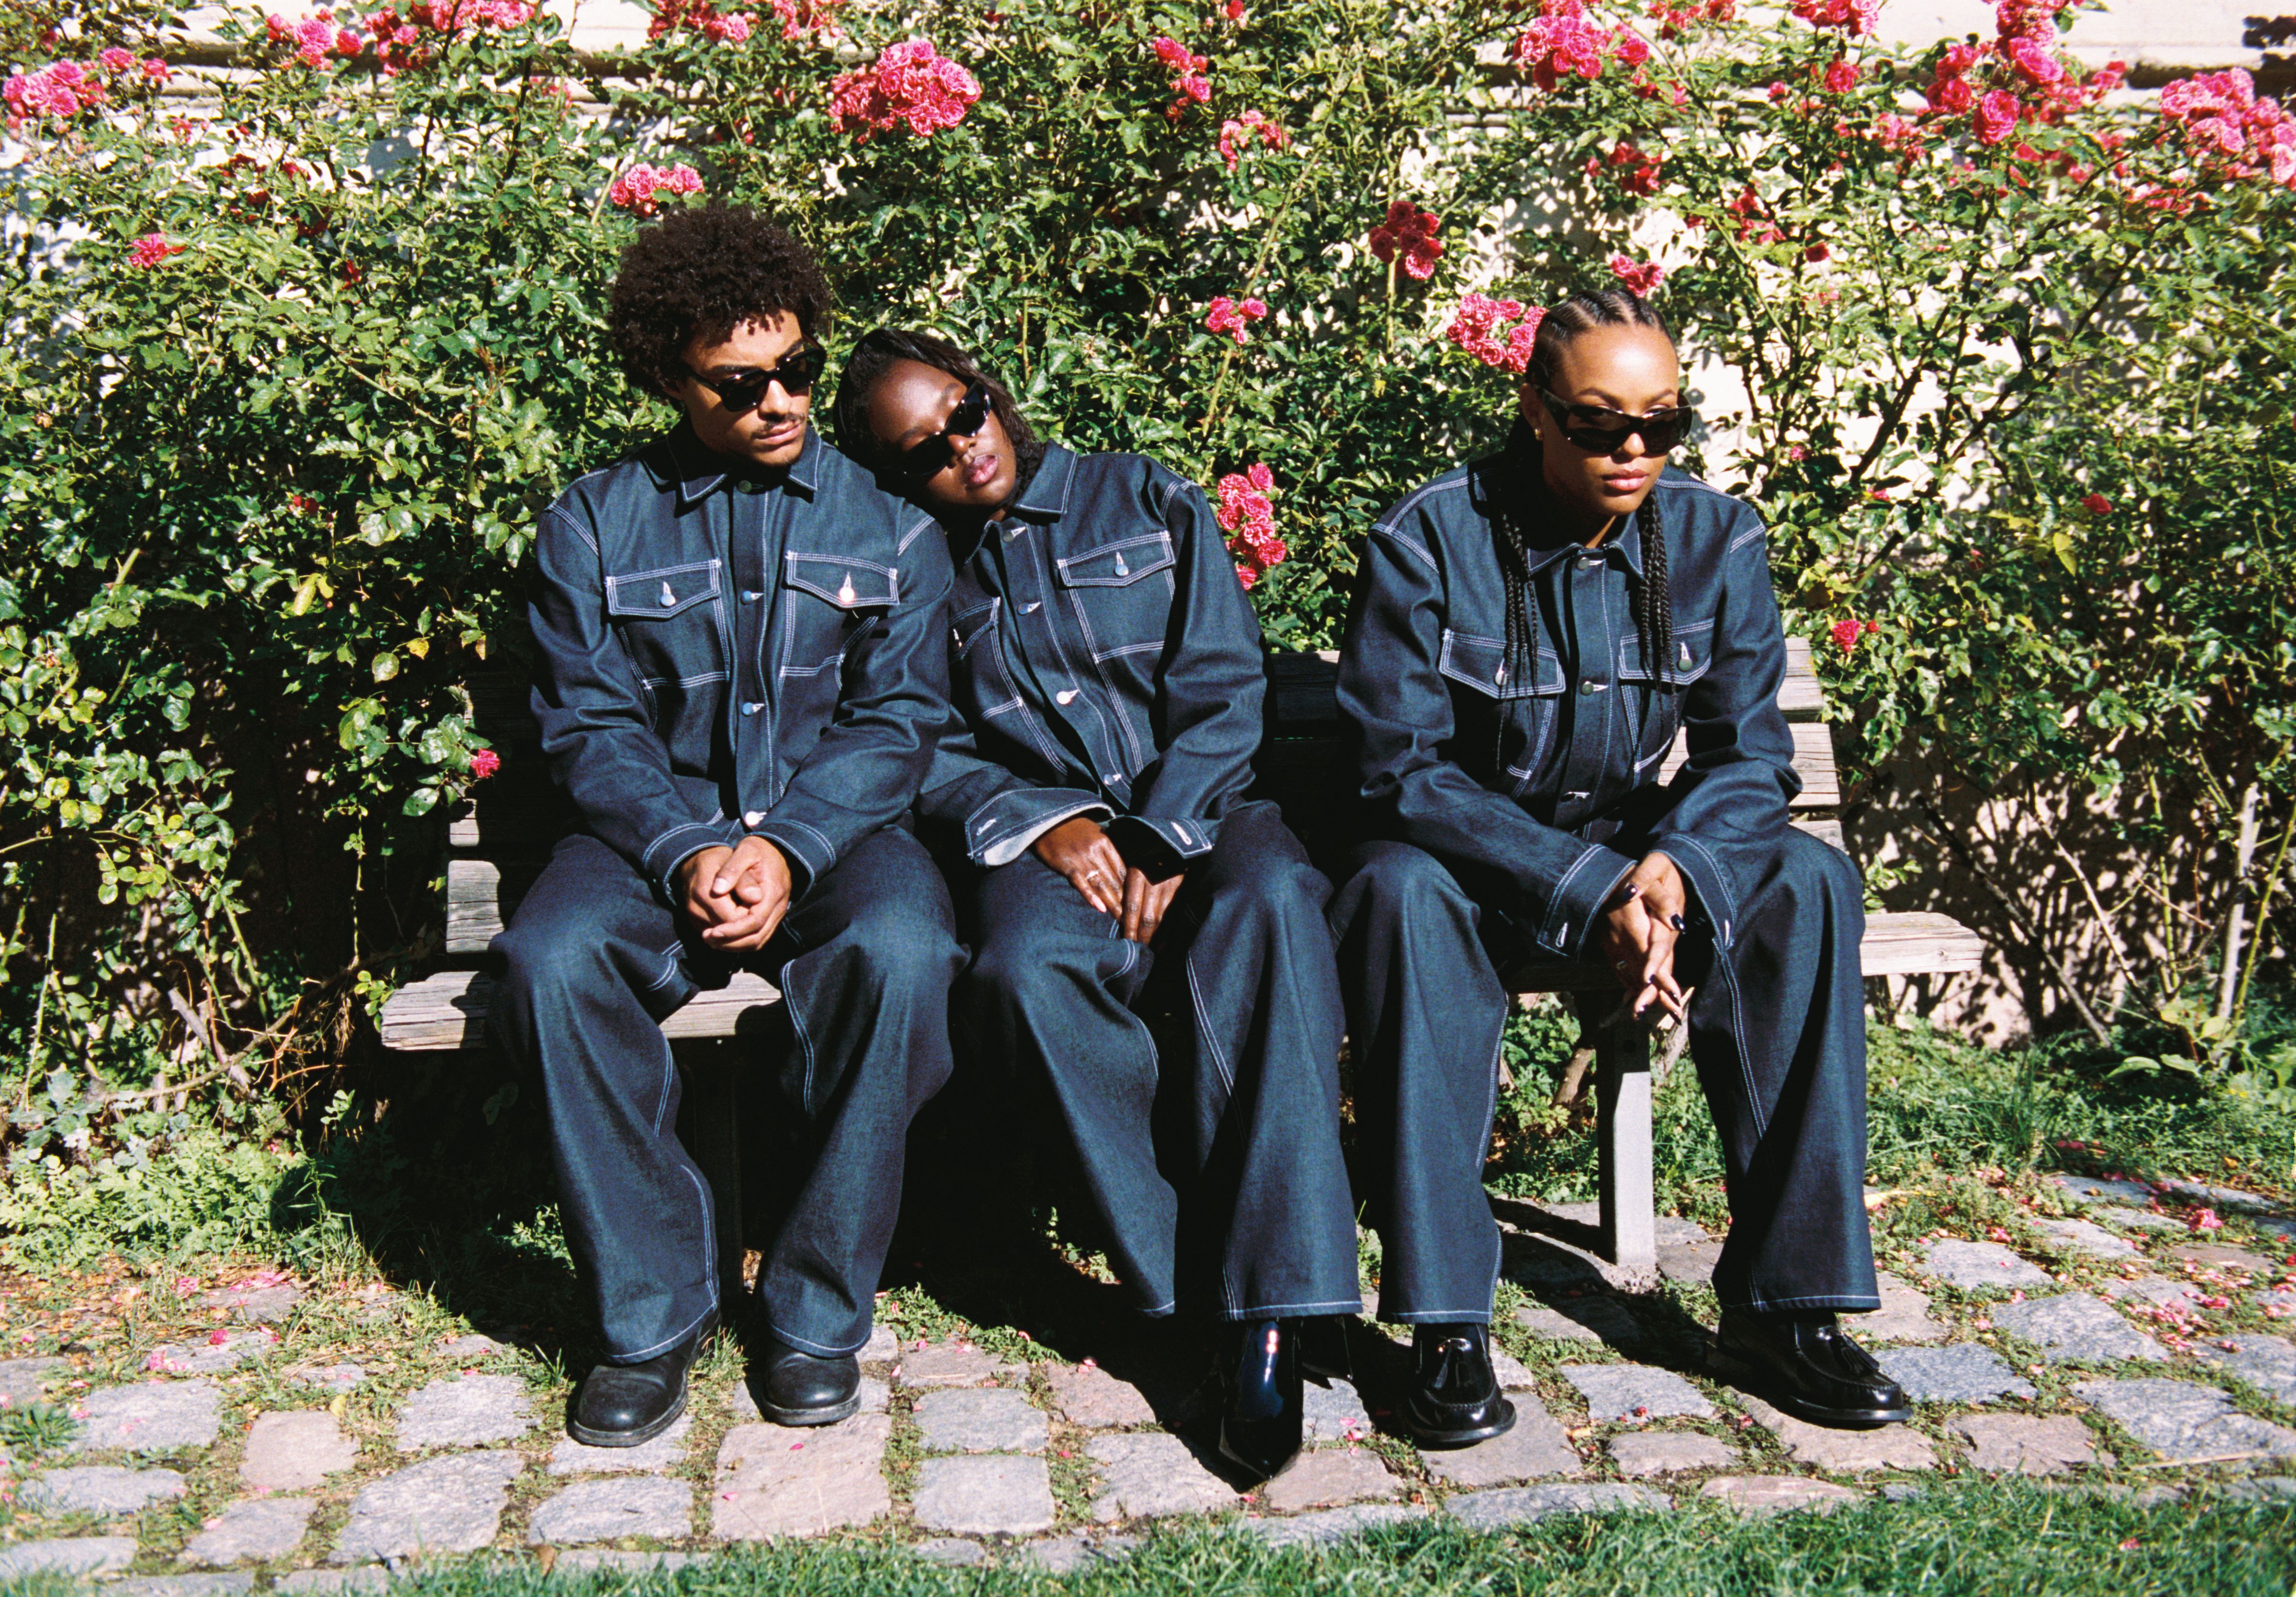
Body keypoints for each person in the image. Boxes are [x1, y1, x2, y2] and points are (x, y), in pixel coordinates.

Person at [1329, 287, 1913, 1442]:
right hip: (1474, 864)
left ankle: (1786, 1310)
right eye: (1598, 422)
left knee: (1808, 883)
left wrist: (1670, 871)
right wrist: (1586, 885)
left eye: (1662, 422)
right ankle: (1446, 1321)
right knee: (1397, 894)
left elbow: (1752, 757)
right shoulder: (1430, 538)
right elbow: (1398, 771)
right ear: (1535, 408)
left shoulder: (1715, 537)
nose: (1633, 448)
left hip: (1639, 858)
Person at [831, 329, 1361, 1483]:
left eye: (964, 413)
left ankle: (1277, 1306)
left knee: (1274, 901)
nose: (962, 450)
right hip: (1051, 846)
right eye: (923, 452)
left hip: (1206, 809)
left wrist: (1165, 828)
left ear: (989, 391)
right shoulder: (919, 572)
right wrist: (1049, 823)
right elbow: (920, 742)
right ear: (894, 476)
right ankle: (1190, 1291)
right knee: (1023, 971)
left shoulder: (1143, 496)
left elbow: (1224, 682)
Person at [490, 205, 964, 1446]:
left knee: (905, 952)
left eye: (797, 368)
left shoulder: (892, 525)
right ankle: (652, 1313)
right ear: (669, 379)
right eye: (740, 384)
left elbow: (899, 718)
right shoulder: (594, 522)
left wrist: (791, 844)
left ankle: (814, 1310)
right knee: (550, 959)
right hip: (648, 837)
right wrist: (687, 848)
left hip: (838, 837)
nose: (781, 402)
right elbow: (588, 723)